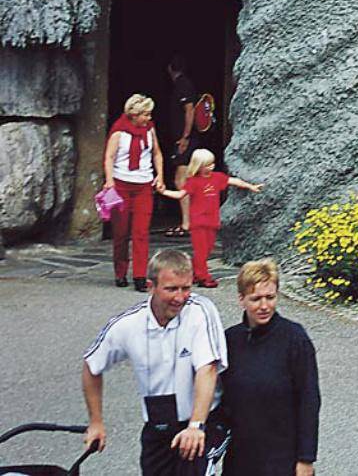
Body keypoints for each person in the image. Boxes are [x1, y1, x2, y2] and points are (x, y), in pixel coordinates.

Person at [82, 246, 230, 475]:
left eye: (186, 288)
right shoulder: (128, 325)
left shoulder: (200, 311)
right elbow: (92, 366)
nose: (180, 297)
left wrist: (196, 425)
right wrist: (96, 422)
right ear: (151, 287)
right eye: (171, 289)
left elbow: (207, 370)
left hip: (202, 423)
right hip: (158, 425)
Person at [221, 257, 321, 476]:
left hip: (283, 459)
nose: (264, 306)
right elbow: (220, 401)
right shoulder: (230, 340)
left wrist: (306, 458)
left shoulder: (295, 339)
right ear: (241, 299)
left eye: (270, 297)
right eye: (256, 299)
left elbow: (309, 399)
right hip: (241, 458)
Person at [160, 150, 263, 289]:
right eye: (207, 165)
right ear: (198, 166)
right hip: (198, 222)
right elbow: (180, 194)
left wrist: (250, 186)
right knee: (201, 250)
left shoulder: (217, 177)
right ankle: (204, 277)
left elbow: (232, 181)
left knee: (207, 249)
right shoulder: (193, 182)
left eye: (212, 164)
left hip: (212, 220)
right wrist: (163, 191)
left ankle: (196, 273)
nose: (211, 167)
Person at [104, 94, 165, 291]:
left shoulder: (150, 129)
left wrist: (160, 176)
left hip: (143, 185)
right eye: (145, 114)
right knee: (121, 233)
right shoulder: (119, 132)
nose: (148, 118)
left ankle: (140, 276)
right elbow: (109, 157)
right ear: (134, 114)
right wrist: (109, 181)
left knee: (141, 232)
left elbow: (156, 152)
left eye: (149, 114)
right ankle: (120, 272)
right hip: (121, 185)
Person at [167, 55, 198, 237]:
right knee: (184, 179)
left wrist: (185, 136)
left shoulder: (183, 85)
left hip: (185, 139)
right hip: (183, 138)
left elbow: (190, 110)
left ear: (170, 68)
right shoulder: (182, 84)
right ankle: (188, 221)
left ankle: (187, 223)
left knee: (182, 180)